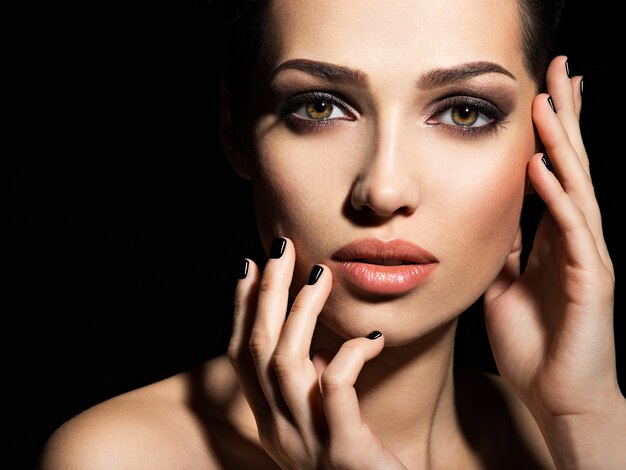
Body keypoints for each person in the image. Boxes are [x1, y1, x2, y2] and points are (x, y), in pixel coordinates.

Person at [38, 0, 625, 468]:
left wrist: (588, 424)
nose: (384, 189)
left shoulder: (575, 437)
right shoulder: (122, 457)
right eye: (320, 106)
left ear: (549, 139)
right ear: (237, 131)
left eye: (463, 112)